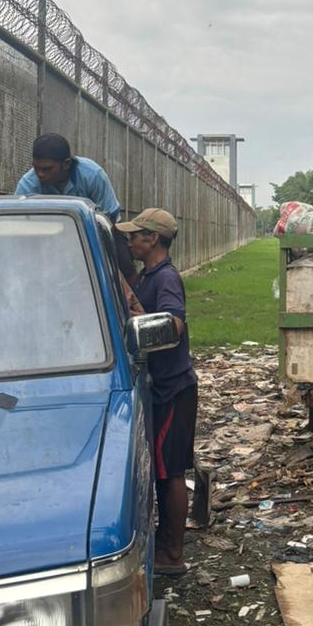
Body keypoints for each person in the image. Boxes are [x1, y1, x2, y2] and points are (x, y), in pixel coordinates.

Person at [119, 207, 198, 576]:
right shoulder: (147, 276)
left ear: (153, 238)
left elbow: (174, 324)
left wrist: (138, 324)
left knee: (170, 473)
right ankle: (164, 543)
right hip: (160, 389)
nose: (130, 240)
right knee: (164, 471)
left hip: (172, 390)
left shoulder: (166, 279)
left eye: (135, 235)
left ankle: (172, 555)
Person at [15, 133, 136, 285]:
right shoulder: (28, 185)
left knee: (124, 265)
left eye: (47, 169)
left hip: (97, 233)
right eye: (36, 168)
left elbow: (108, 219)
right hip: (48, 237)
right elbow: (19, 226)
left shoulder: (93, 175)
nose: (40, 174)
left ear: (66, 164)